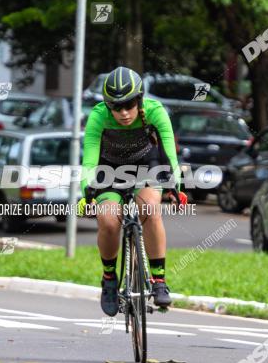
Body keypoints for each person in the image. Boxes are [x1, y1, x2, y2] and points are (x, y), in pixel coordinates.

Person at [78, 66, 187, 317]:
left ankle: (159, 280)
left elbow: (169, 154)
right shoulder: (98, 117)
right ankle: (109, 278)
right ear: (108, 106)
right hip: (108, 171)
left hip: (145, 167)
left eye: (129, 105)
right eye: (116, 107)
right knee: (108, 220)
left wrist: (175, 187)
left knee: (149, 208)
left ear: (139, 100)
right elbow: (90, 161)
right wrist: (88, 192)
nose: (124, 113)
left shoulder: (156, 112)